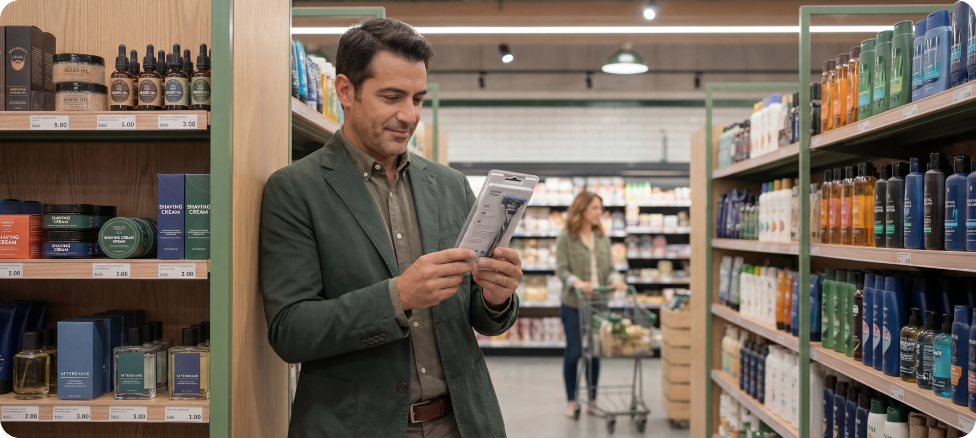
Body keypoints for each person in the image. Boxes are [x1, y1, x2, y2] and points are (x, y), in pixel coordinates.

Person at [259, 18, 522, 438]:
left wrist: (496, 296)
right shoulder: (295, 190)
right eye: (391, 97)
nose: (410, 115)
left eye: (417, 98)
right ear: (346, 91)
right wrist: (397, 297)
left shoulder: (451, 186)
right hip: (359, 425)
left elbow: (482, 318)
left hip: (463, 421)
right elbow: (291, 331)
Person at [554, 191, 627, 418]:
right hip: (574, 303)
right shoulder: (566, 236)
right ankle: (571, 400)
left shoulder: (603, 238)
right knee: (574, 352)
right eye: (595, 207)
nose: (600, 212)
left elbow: (611, 268)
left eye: (600, 208)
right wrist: (577, 282)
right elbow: (561, 269)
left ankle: (593, 401)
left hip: (598, 304)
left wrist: (616, 278)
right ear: (582, 209)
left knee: (595, 352)